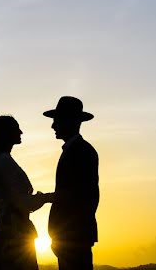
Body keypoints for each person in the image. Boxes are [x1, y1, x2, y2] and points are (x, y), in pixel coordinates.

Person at [0, 115, 51, 270]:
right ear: (6, 133)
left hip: (9, 228)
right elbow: (20, 201)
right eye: (16, 129)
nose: (21, 132)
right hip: (13, 232)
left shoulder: (3, 160)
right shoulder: (4, 161)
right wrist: (48, 197)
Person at [44, 96, 99, 270]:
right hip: (71, 236)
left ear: (69, 121)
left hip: (73, 237)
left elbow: (84, 195)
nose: (53, 126)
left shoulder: (82, 152)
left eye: (57, 121)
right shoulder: (76, 150)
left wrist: (48, 198)